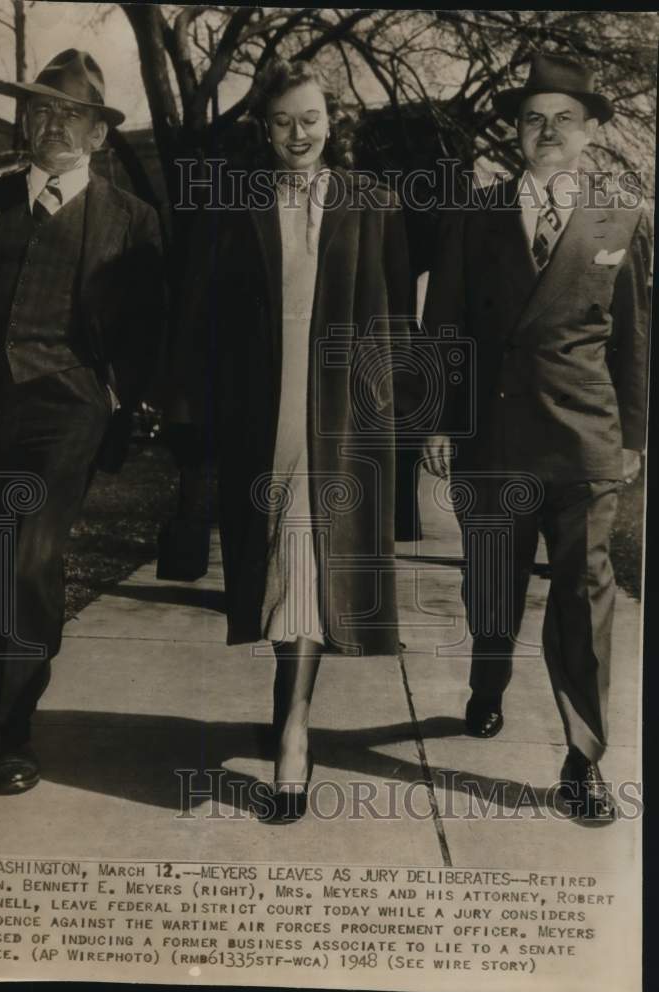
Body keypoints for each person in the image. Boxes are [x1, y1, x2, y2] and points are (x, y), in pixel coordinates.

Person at [169, 58, 411, 823]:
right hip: (260, 413)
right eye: (282, 121)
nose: (298, 134)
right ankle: (289, 711)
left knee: (307, 560)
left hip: (342, 413)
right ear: (264, 129)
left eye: (310, 118)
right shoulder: (235, 205)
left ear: (333, 120)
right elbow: (202, 319)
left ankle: (293, 739)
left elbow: (396, 316)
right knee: (276, 564)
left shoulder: (374, 201)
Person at [422, 53, 651, 820]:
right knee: (493, 586)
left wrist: (635, 435)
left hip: (585, 436)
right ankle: (489, 681)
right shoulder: (476, 213)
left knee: (586, 596)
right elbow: (444, 327)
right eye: (531, 118)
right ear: (515, 133)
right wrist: (442, 422)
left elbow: (634, 340)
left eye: (564, 119)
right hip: (491, 432)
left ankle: (582, 758)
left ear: (589, 133)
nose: (546, 131)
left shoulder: (621, 218)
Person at [0, 49, 165, 794]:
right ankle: (17, 657)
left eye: (72, 114)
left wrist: (120, 400)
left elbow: (148, 331)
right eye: (39, 110)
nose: (52, 125)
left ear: (99, 135)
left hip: (66, 411)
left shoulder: (132, 221)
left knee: (31, 559)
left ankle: (9, 728)